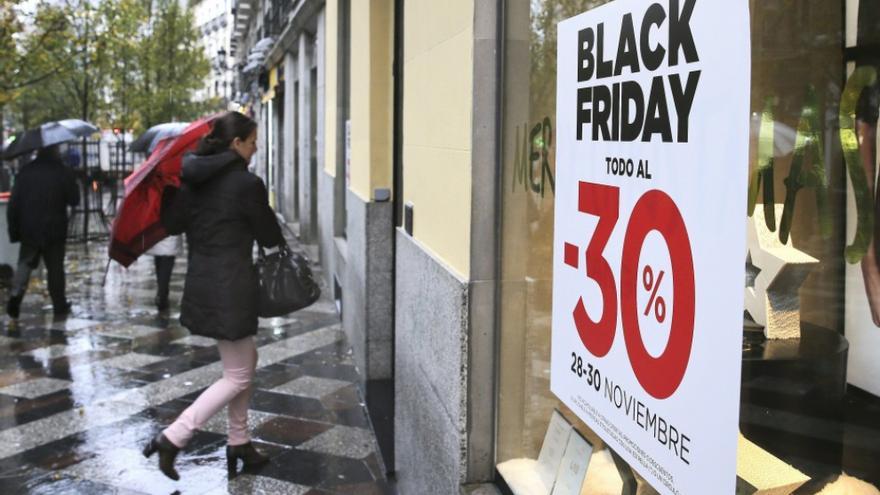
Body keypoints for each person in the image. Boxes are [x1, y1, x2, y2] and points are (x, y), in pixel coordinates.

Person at [142, 112, 283, 480]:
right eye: (252, 141)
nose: (256, 148)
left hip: (205, 283)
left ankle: (240, 441)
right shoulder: (246, 184)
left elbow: (171, 225)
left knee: (244, 361)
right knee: (237, 375)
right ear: (236, 144)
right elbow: (269, 237)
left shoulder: (191, 180)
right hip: (232, 286)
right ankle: (173, 437)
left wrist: (172, 190)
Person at [6, 144, 80, 318]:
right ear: (55, 150)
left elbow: (13, 205)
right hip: (55, 228)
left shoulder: (25, 172)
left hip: (29, 228)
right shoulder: (62, 171)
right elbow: (74, 199)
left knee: (25, 263)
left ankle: (16, 296)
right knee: (55, 268)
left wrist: (14, 230)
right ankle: (59, 304)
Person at [146, 235, 182, 311]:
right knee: (166, 268)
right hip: (170, 239)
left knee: (159, 262)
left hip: (157, 236)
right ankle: (162, 294)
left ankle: (161, 292)